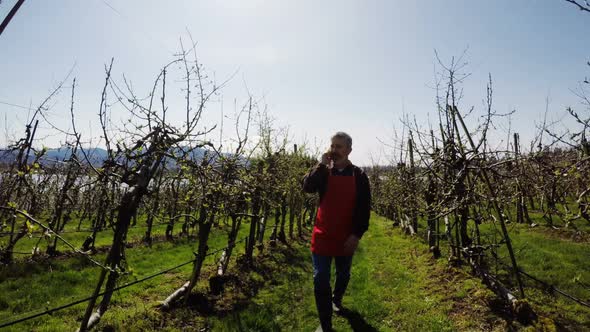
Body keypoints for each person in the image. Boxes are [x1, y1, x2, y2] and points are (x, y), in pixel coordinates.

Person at [303, 132, 371, 332]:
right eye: (332, 146)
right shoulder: (323, 172)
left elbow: (364, 210)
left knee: (343, 273)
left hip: (346, 236)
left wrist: (356, 235)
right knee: (320, 278)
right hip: (322, 234)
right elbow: (307, 187)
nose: (334, 150)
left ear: (349, 150)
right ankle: (325, 325)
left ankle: (337, 299)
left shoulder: (359, 176)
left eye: (339, 147)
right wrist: (320, 165)